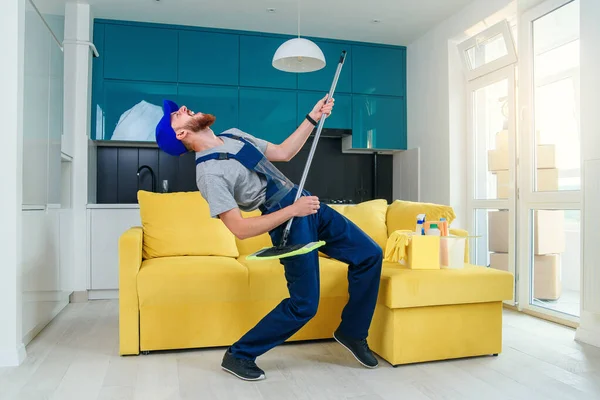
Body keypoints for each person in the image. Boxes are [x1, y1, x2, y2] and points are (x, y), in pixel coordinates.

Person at [154, 95, 383, 381]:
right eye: (177, 114)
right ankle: (239, 354)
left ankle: (352, 331)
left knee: (369, 255)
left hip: (304, 202)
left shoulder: (234, 135)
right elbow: (239, 228)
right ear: (181, 134)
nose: (183, 108)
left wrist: (313, 117)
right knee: (304, 305)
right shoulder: (209, 174)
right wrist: (292, 211)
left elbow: (284, 152)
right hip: (288, 218)